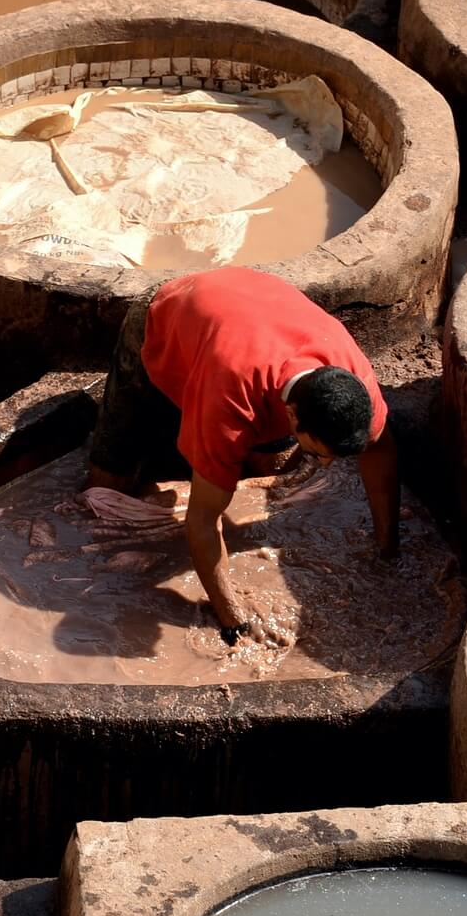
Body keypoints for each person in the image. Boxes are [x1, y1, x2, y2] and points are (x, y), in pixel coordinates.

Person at [86, 266, 399, 648]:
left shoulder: (355, 380)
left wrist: (387, 549)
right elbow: (202, 522)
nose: (328, 465)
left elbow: (380, 451)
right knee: (107, 488)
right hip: (171, 313)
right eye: (318, 452)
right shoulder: (231, 400)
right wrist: (233, 619)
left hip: (246, 310)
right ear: (294, 417)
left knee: (279, 471)